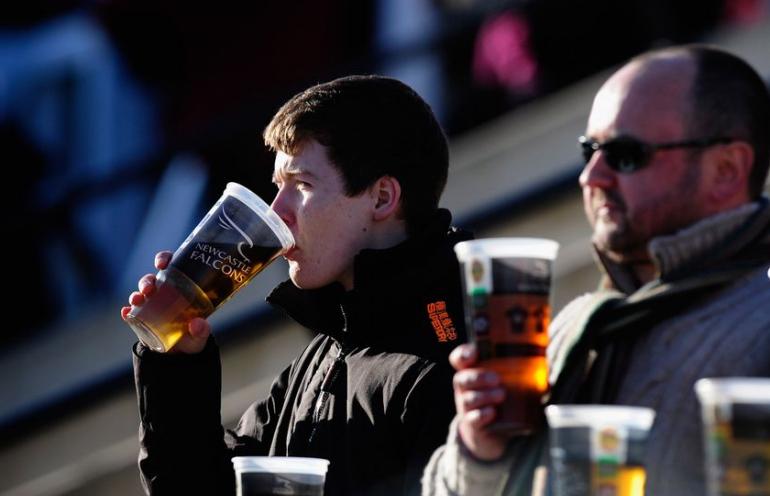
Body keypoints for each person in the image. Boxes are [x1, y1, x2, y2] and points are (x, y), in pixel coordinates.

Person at [422, 44, 770, 496]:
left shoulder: (759, 322)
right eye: (590, 150)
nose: (591, 177)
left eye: (625, 154)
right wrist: (481, 450)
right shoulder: (579, 324)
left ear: (726, 170)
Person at [121, 75, 472, 495]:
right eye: (277, 187)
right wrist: (177, 365)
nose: (277, 212)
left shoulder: (450, 366)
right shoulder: (327, 348)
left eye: (302, 185)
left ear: (381, 198)